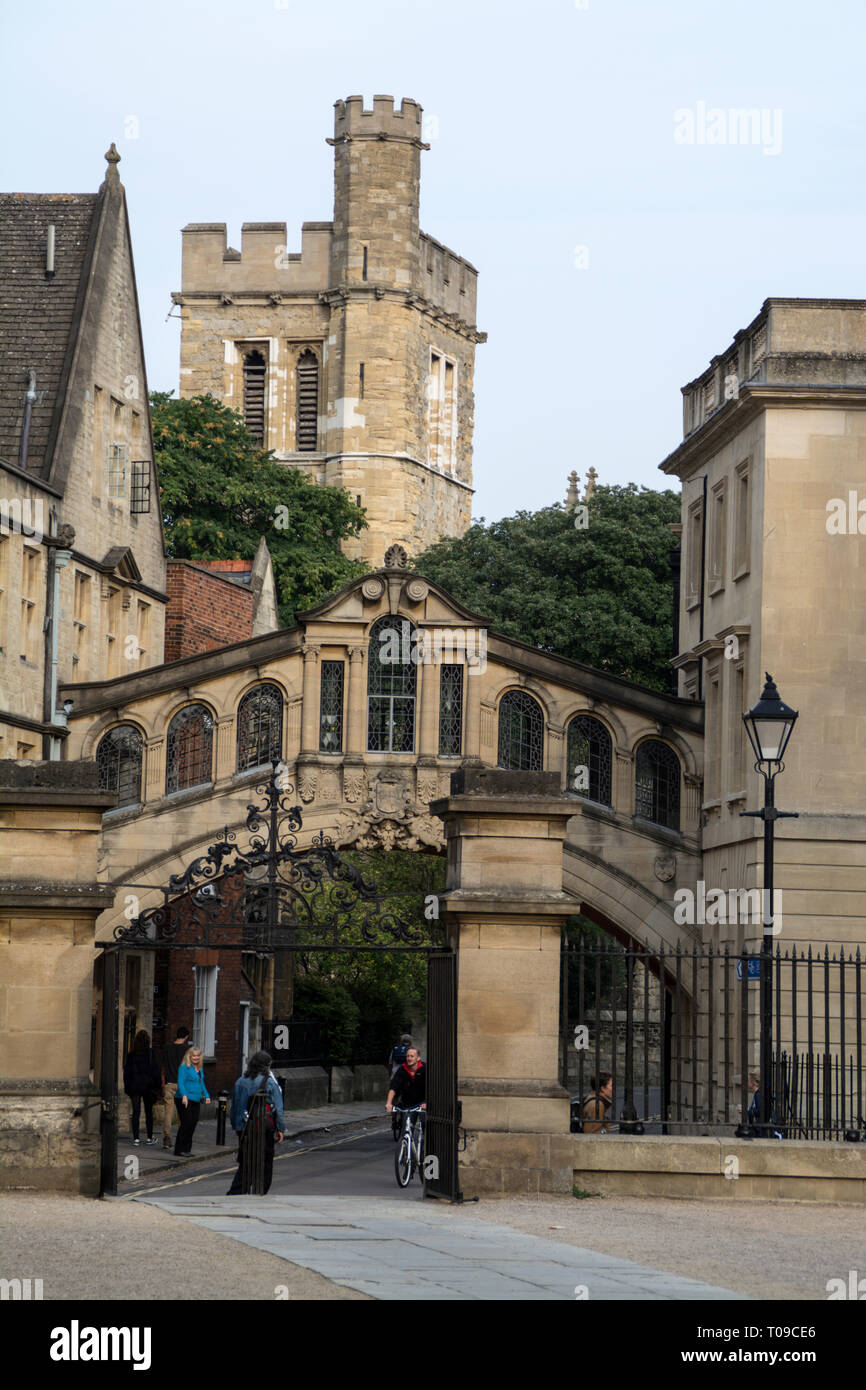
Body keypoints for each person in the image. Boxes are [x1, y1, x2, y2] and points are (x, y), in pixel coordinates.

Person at [226, 1051, 285, 1195]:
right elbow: (278, 1109)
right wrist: (280, 1129)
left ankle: (236, 1193)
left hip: (245, 1128)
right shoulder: (269, 1082)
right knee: (265, 1163)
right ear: (266, 1066)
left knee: (246, 1162)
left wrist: (237, 1127)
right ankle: (261, 1193)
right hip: (264, 1129)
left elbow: (235, 1107)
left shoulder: (240, 1081)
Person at [123, 1030, 161, 1146]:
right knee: (148, 1112)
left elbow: (127, 1073)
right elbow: (155, 1071)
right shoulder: (150, 1053)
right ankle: (149, 1137)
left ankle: (136, 1138)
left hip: (135, 1086)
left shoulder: (131, 1055)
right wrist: (158, 1086)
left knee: (136, 1112)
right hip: (148, 1086)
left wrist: (127, 1087)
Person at [174, 1046, 211, 1156]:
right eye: (193, 1055)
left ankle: (187, 1149)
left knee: (193, 1123)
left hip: (196, 1099)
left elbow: (201, 1083)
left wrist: (207, 1095)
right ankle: (179, 1150)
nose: (195, 1058)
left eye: (197, 1056)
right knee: (186, 1123)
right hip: (184, 1099)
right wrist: (184, 1095)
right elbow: (180, 1082)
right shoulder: (184, 1067)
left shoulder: (200, 1069)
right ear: (189, 1056)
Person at [160, 1025, 191, 1151]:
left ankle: (167, 1138)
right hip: (183, 1085)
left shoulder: (167, 1048)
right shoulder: (187, 1049)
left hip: (169, 1084)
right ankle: (181, 1139)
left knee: (168, 1112)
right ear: (186, 1037)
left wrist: (163, 1084)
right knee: (182, 1113)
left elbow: (162, 1067)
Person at [386, 1046, 426, 1143]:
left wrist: (426, 1102)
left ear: (418, 1058)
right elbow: (393, 1088)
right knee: (406, 1131)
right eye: (408, 1056)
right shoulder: (402, 1069)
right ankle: (406, 1154)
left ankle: (424, 1150)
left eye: (412, 1056)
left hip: (422, 1103)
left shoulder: (425, 1068)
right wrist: (389, 1103)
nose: (409, 1058)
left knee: (425, 1128)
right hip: (408, 1104)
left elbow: (433, 1087)